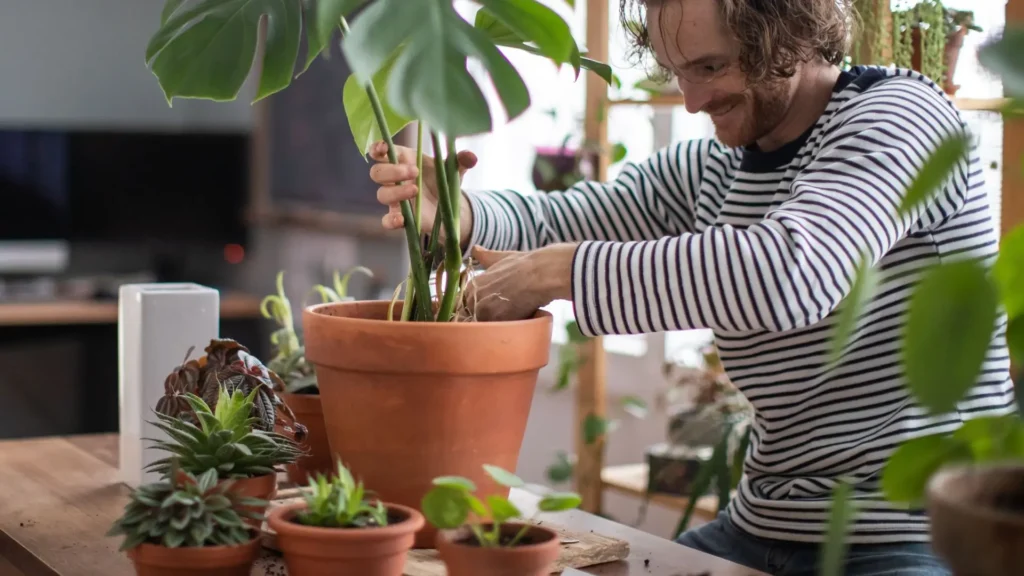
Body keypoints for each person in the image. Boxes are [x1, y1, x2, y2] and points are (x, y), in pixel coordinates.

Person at [368, 0, 1017, 574]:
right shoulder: (720, 163)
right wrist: (459, 209)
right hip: (762, 523)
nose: (692, 100)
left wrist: (557, 272)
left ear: (786, 32)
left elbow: (794, 271)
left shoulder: (903, 117)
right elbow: (575, 215)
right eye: (678, 71)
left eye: (711, 68)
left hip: (907, 528)